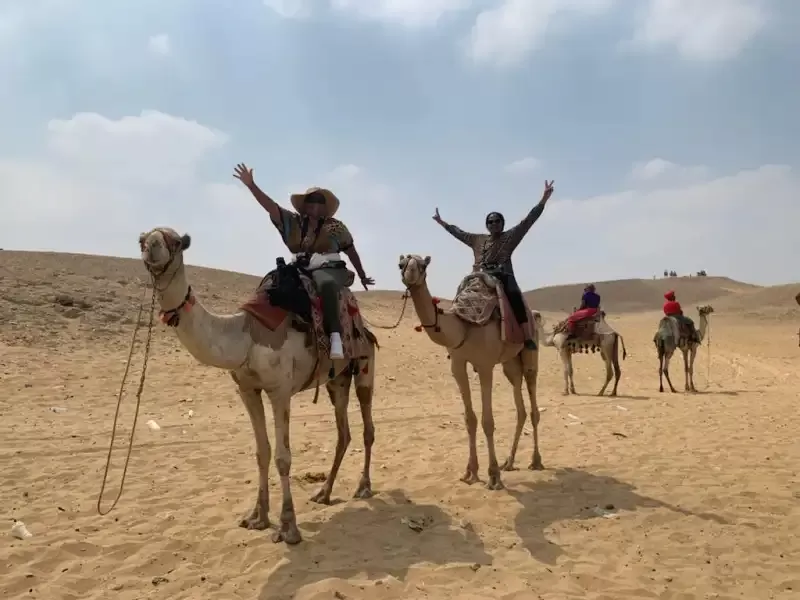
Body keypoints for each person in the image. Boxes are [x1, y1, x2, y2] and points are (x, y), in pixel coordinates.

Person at [233, 163, 374, 359]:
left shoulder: (336, 227)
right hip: (301, 267)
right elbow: (271, 207)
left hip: (330, 267)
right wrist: (251, 185)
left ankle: (335, 336)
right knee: (275, 283)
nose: (315, 204)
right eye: (311, 200)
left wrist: (362, 275)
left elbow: (350, 250)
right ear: (305, 204)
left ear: (325, 206)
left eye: (319, 201)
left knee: (324, 284)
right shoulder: (293, 222)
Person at [433, 180, 555, 350]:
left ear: (502, 223)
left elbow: (528, 221)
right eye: (490, 222)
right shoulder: (477, 240)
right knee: (461, 291)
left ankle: (526, 335)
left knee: (514, 295)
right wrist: (443, 223)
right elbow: (459, 233)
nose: (494, 224)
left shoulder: (509, 237)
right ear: (486, 224)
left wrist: (543, 200)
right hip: (478, 276)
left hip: (502, 276)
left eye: (497, 221)